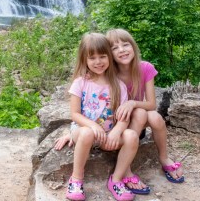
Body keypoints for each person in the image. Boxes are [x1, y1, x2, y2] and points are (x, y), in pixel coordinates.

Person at [62, 32, 139, 201]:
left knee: (131, 135)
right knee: (87, 133)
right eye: (92, 58)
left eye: (102, 56)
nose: (98, 62)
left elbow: (124, 117)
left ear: (109, 57)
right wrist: (93, 126)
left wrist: (116, 132)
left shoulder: (118, 85)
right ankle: (76, 179)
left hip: (107, 137)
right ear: (84, 60)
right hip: (83, 132)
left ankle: (116, 180)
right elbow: (74, 114)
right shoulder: (80, 82)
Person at [107, 28, 185, 193]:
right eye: (115, 48)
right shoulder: (109, 73)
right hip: (118, 124)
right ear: (109, 54)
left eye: (125, 45)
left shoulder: (145, 68)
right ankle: (125, 169)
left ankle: (164, 158)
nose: (121, 50)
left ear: (133, 47)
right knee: (141, 112)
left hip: (137, 121)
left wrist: (132, 103)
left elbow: (151, 104)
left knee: (156, 118)